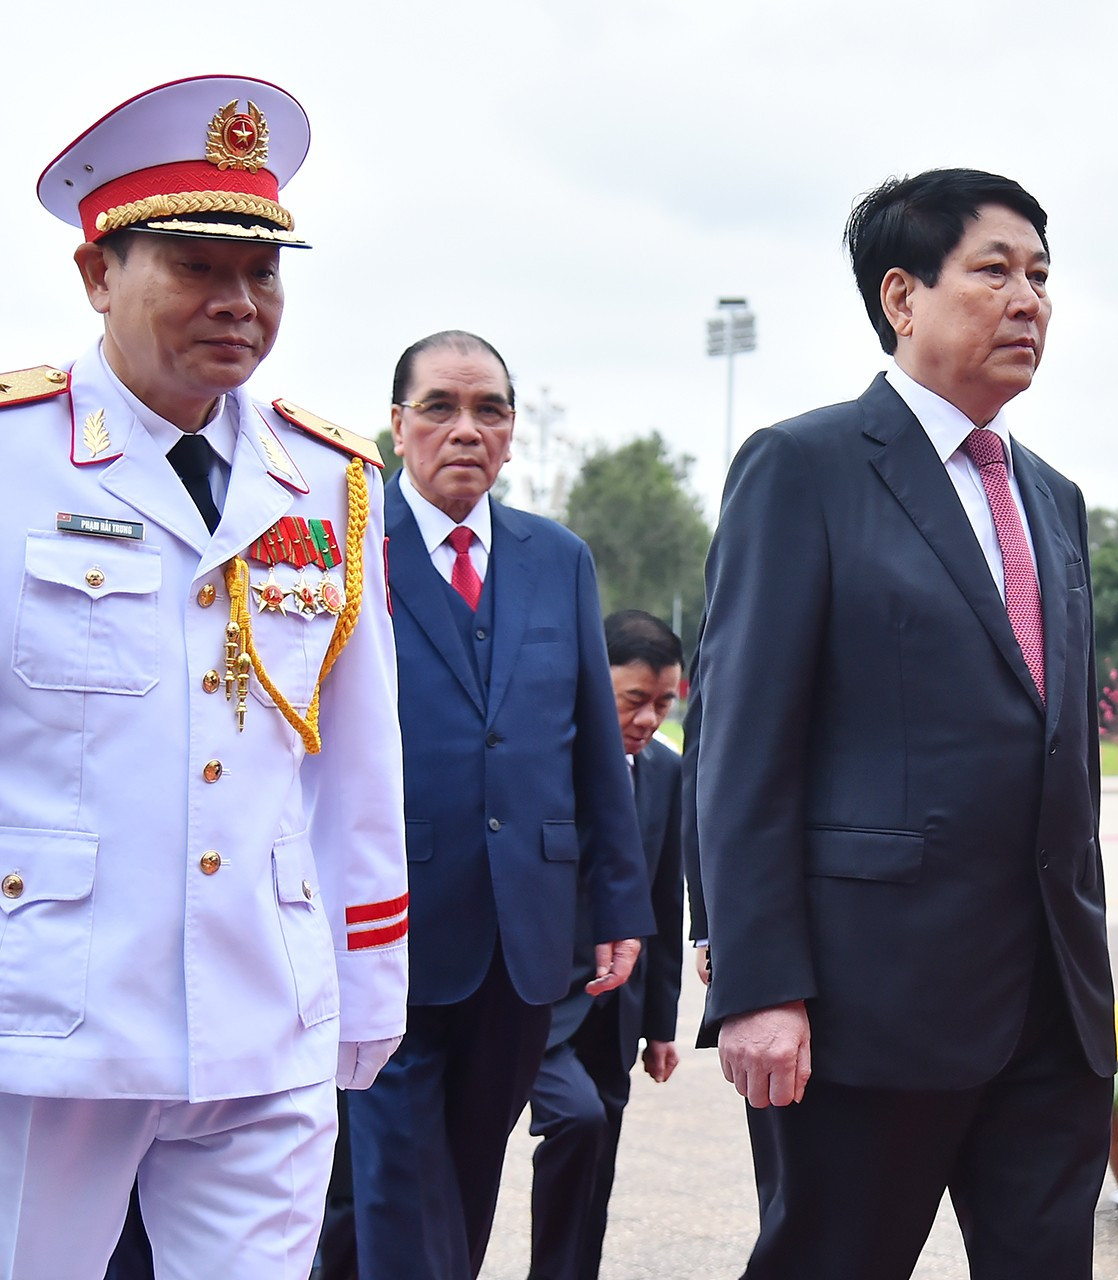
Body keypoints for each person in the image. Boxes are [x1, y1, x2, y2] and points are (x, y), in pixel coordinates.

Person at [0, 76, 407, 1278]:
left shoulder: (327, 479)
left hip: (263, 1001)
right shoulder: (16, 458)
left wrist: (367, 977)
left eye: (263, 273)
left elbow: (357, 754)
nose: (240, 303)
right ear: (96, 274)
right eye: (196, 266)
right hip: (53, 1006)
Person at [689, 168, 1114, 1279]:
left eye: (1041, 275)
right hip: (867, 1004)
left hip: (1049, 1004)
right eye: (994, 270)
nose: (1029, 299)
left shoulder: (1054, 497)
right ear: (901, 296)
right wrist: (759, 983)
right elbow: (741, 746)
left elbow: (1062, 746)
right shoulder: (807, 468)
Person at [334, 331, 653, 1280]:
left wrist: (620, 903)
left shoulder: (558, 559)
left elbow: (596, 742)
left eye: (490, 411)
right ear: (397, 427)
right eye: (439, 407)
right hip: (385, 928)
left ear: (512, 433)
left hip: (526, 933)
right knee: (394, 1178)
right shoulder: (346, 549)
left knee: (470, 1182)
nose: (465, 429)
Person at [526, 610, 687, 1280]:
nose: (649, 719)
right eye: (634, 700)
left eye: (663, 704)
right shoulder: (537, 761)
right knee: (576, 1118)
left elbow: (661, 900)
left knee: (596, 1157)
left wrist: (659, 1026)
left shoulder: (666, 775)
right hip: (529, 996)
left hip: (612, 1011)